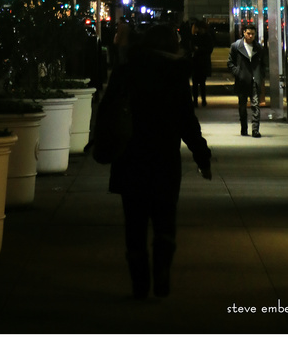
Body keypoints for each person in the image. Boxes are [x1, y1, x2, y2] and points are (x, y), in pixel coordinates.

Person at [101, 23, 212, 300]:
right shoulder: (174, 76)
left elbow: (106, 111)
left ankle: (140, 282)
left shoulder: (126, 72)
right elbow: (188, 122)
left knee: (134, 224)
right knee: (165, 219)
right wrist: (202, 156)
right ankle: (162, 272)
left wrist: (103, 142)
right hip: (164, 159)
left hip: (130, 157)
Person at [227, 22, 265, 137]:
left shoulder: (258, 48)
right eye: (248, 33)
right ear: (244, 33)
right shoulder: (236, 46)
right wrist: (238, 72)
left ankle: (255, 130)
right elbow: (230, 62)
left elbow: (263, 64)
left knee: (255, 105)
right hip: (242, 80)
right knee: (242, 106)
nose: (250, 36)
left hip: (254, 79)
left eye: (252, 34)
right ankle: (244, 128)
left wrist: (260, 75)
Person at [190, 21, 214, 107]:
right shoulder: (196, 37)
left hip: (201, 62)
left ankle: (201, 100)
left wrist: (198, 49)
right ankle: (198, 100)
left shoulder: (206, 37)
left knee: (199, 83)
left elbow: (209, 49)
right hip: (198, 62)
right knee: (198, 83)